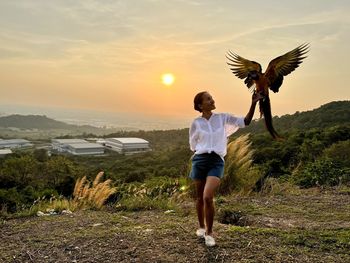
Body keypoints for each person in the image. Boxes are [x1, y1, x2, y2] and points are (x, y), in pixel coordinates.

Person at [189, 91, 262, 247]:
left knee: (208, 196)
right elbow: (193, 145)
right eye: (208, 99)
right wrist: (201, 153)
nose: (212, 100)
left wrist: (254, 102)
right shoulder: (196, 123)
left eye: (212, 97)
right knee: (199, 198)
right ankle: (201, 227)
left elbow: (245, 121)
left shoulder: (223, 118)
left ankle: (209, 233)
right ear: (201, 105)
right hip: (200, 160)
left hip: (216, 161)